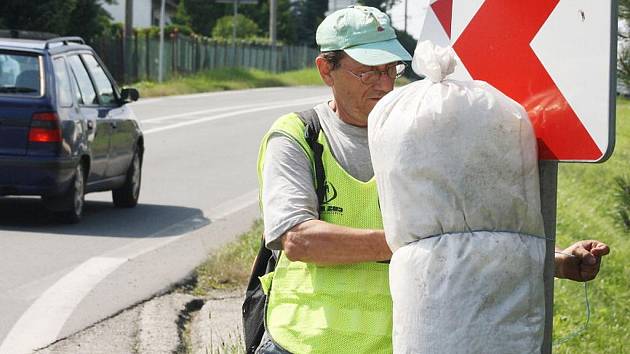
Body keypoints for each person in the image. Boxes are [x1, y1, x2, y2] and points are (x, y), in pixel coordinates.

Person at [255, 5, 610, 354]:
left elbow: (471, 232)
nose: (384, 83)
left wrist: (558, 260)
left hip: (400, 343)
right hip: (303, 342)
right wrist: (422, 243)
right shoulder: (298, 136)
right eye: (367, 72)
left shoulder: (426, 134)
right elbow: (301, 241)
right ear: (326, 70)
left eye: (391, 69)